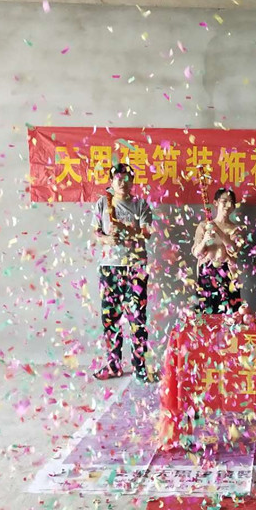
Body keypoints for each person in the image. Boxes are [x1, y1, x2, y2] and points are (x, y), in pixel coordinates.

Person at [92, 163, 154, 383]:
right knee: (110, 319)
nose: (122, 182)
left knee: (137, 318)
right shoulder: (103, 203)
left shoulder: (140, 205)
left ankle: (140, 367)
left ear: (132, 181)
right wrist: (108, 238)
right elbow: (96, 232)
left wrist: (126, 229)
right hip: (110, 267)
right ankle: (114, 365)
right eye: (118, 178)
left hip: (136, 267)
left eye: (127, 178)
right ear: (111, 181)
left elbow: (147, 233)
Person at [192, 188, 243, 314]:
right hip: (206, 274)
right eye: (224, 201)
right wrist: (205, 240)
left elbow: (233, 250)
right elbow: (196, 253)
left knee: (230, 316)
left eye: (231, 202)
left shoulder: (236, 229)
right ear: (215, 203)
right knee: (205, 315)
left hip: (228, 274)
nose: (228, 205)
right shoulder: (203, 225)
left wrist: (218, 230)